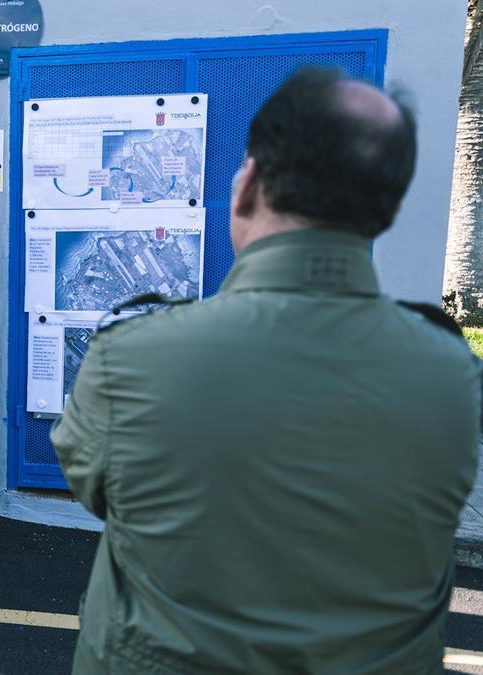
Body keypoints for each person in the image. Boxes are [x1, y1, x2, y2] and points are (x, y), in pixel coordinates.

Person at [52, 68, 480, 674]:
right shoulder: (451, 374)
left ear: (248, 184)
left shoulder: (133, 357)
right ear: (387, 209)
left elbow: (89, 479)